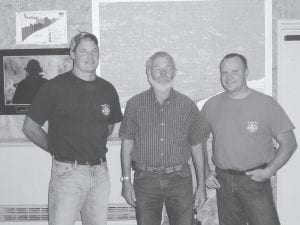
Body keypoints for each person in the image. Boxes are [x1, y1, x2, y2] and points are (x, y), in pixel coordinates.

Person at [22, 32, 123, 225]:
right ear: (72, 54)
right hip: (67, 174)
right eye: (83, 51)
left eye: (94, 51)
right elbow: (30, 127)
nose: (90, 56)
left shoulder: (108, 89)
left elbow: (108, 127)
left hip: (100, 173)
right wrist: (55, 148)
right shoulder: (54, 87)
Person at [202, 53, 297, 225]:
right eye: (224, 72)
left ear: (246, 72)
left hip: (255, 180)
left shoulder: (266, 104)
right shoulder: (211, 105)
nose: (229, 77)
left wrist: (269, 170)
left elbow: (289, 143)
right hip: (223, 181)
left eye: (235, 71)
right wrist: (206, 172)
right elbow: (198, 140)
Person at [119, 51, 209, 225]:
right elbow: (127, 143)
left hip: (180, 179)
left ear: (174, 72)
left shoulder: (187, 105)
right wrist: (126, 181)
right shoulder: (134, 104)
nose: (162, 73)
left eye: (167, 68)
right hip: (145, 180)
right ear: (148, 72)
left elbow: (197, 145)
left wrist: (201, 186)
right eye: (157, 69)